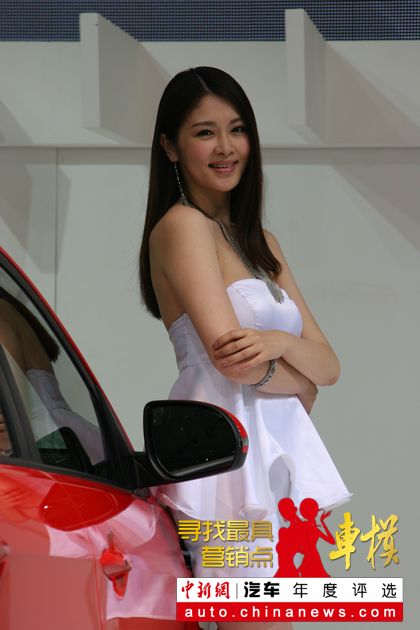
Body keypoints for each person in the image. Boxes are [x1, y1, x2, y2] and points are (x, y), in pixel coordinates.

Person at [139, 66, 351, 629]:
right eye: (204, 132)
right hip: (226, 464)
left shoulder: (262, 243)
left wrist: (278, 342)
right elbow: (230, 359)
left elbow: (329, 365)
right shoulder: (182, 226)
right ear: (170, 146)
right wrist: (298, 381)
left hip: (272, 457)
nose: (226, 147)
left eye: (237, 129)